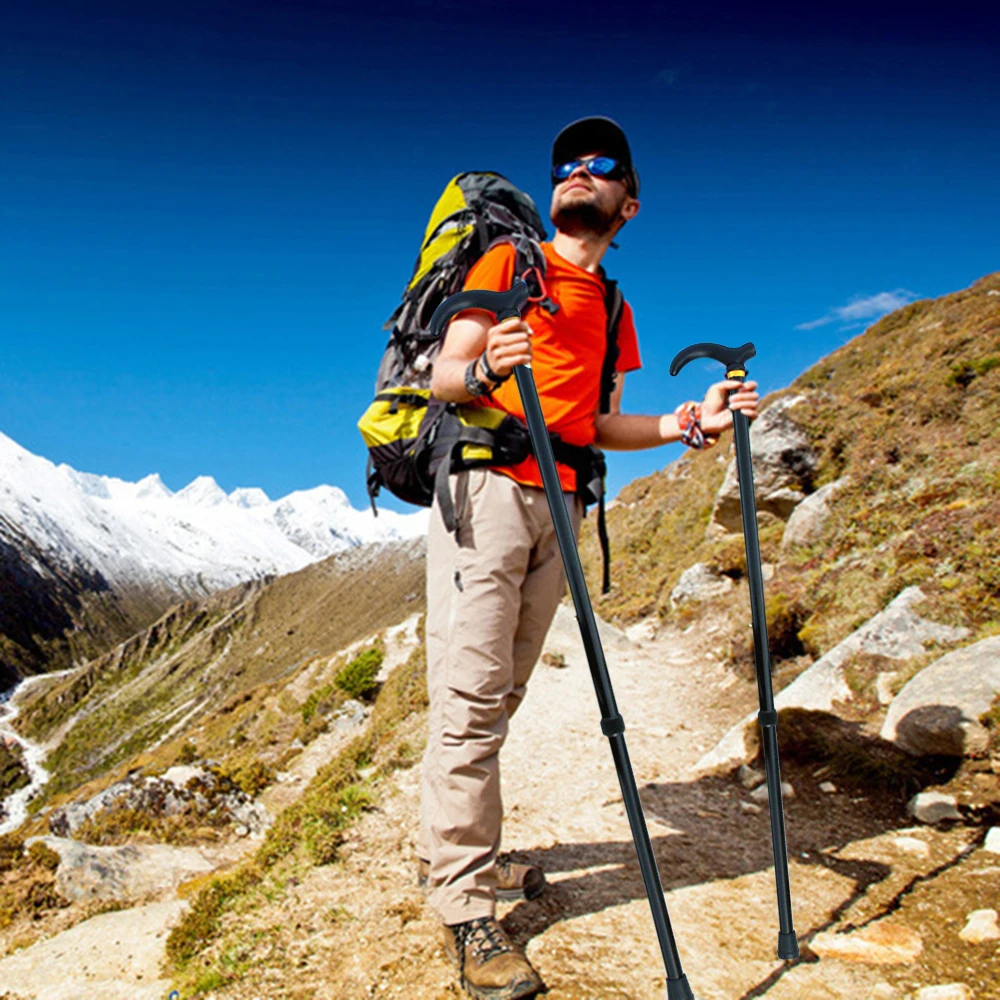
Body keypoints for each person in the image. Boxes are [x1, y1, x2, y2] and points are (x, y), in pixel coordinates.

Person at [416, 116, 759, 999]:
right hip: (488, 492)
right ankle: (463, 907)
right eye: (568, 163)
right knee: (468, 697)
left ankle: (468, 859)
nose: (578, 171)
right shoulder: (507, 265)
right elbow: (442, 377)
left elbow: (599, 421)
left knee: (503, 693)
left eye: (599, 165)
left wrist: (687, 423)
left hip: (563, 504)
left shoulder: (611, 305)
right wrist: (488, 362)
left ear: (627, 204)